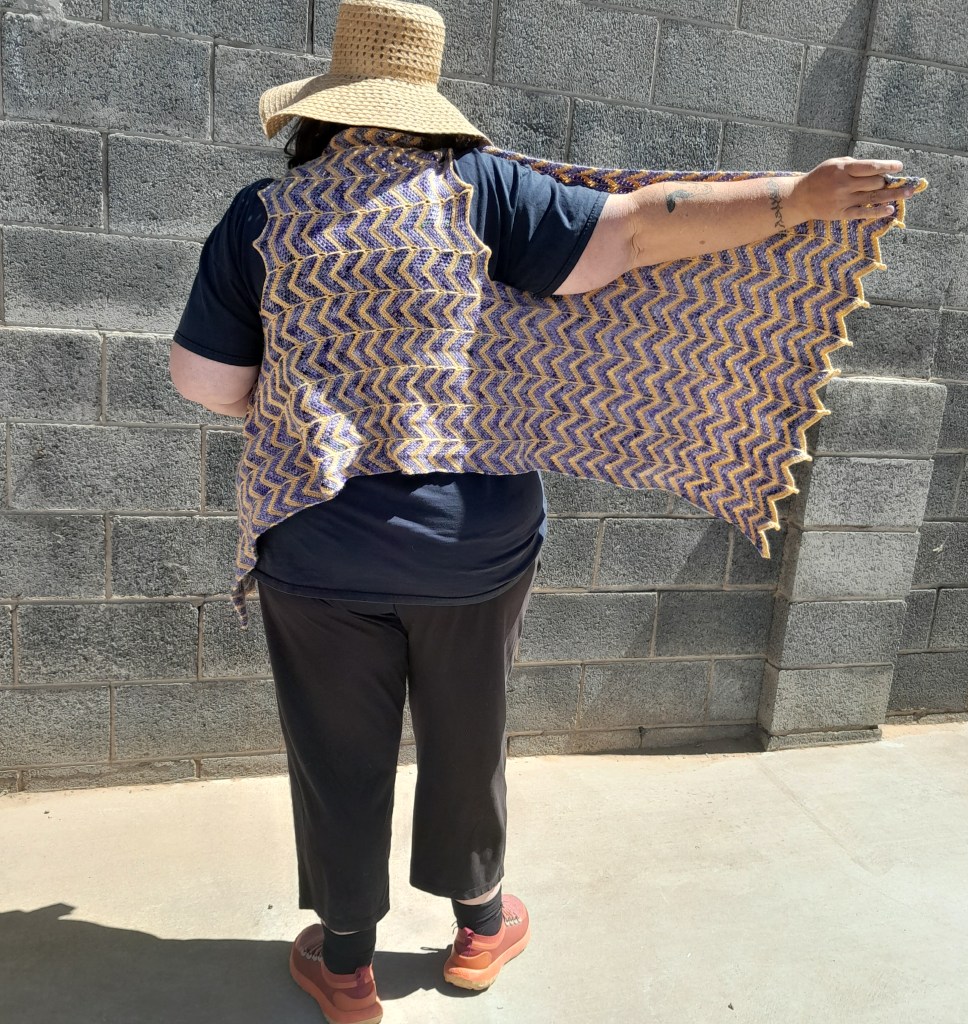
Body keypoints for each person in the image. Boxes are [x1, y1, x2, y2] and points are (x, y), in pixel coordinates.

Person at [169, 2, 915, 1020]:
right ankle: (479, 930)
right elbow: (640, 227)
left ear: (323, 110)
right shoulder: (488, 194)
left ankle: (345, 965)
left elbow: (206, 383)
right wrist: (798, 197)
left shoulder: (263, 216)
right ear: (427, 104)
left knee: (335, 757)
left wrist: (317, 394)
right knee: (469, 735)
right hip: (474, 550)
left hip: (318, 547)